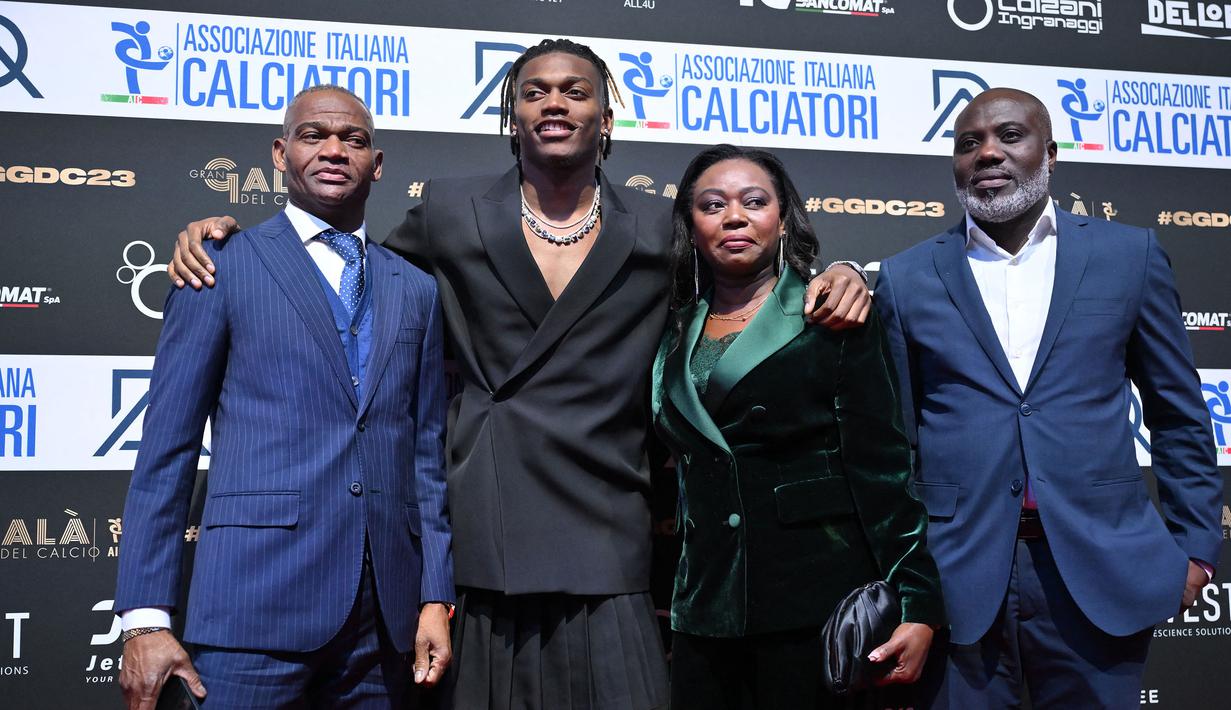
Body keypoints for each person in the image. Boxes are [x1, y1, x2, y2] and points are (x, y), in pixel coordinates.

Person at [165, 39, 871, 710]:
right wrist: (232, 240)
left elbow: (742, 275)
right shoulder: (450, 209)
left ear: (606, 117)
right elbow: (353, 283)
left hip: (606, 523)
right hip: (484, 527)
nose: (554, 103)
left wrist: (831, 273)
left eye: (575, 92)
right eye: (535, 92)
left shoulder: (659, 226)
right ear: (513, 115)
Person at [873, 88, 1222, 708]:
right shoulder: (906, 276)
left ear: (1050, 154)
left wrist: (1197, 549)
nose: (987, 153)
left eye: (1009, 136)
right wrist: (907, 579)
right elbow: (893, 444)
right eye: (968, 143)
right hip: (958, 574)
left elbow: (1180, 414)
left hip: (1099, 566)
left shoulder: (1129, 256)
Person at [114, 85, 454, 709]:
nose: (333, 150)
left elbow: (425, 460)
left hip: (384, 628)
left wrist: (434, 595)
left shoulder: (415, 291)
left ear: (377, 165)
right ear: (279, 152)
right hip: (251, 611)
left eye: (353, 139)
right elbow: (166, 453)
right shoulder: (219, 265)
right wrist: (145, 619)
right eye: (312, 135)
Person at [650, 144, 945, 710]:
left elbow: (884, 471)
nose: (733, 216)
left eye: (753, 201)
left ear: (783, 218)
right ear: (691, 224)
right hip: (705, 611)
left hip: (814, 608)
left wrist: (917, 604)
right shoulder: (672, 327)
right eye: (712, 205)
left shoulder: (832, 315)